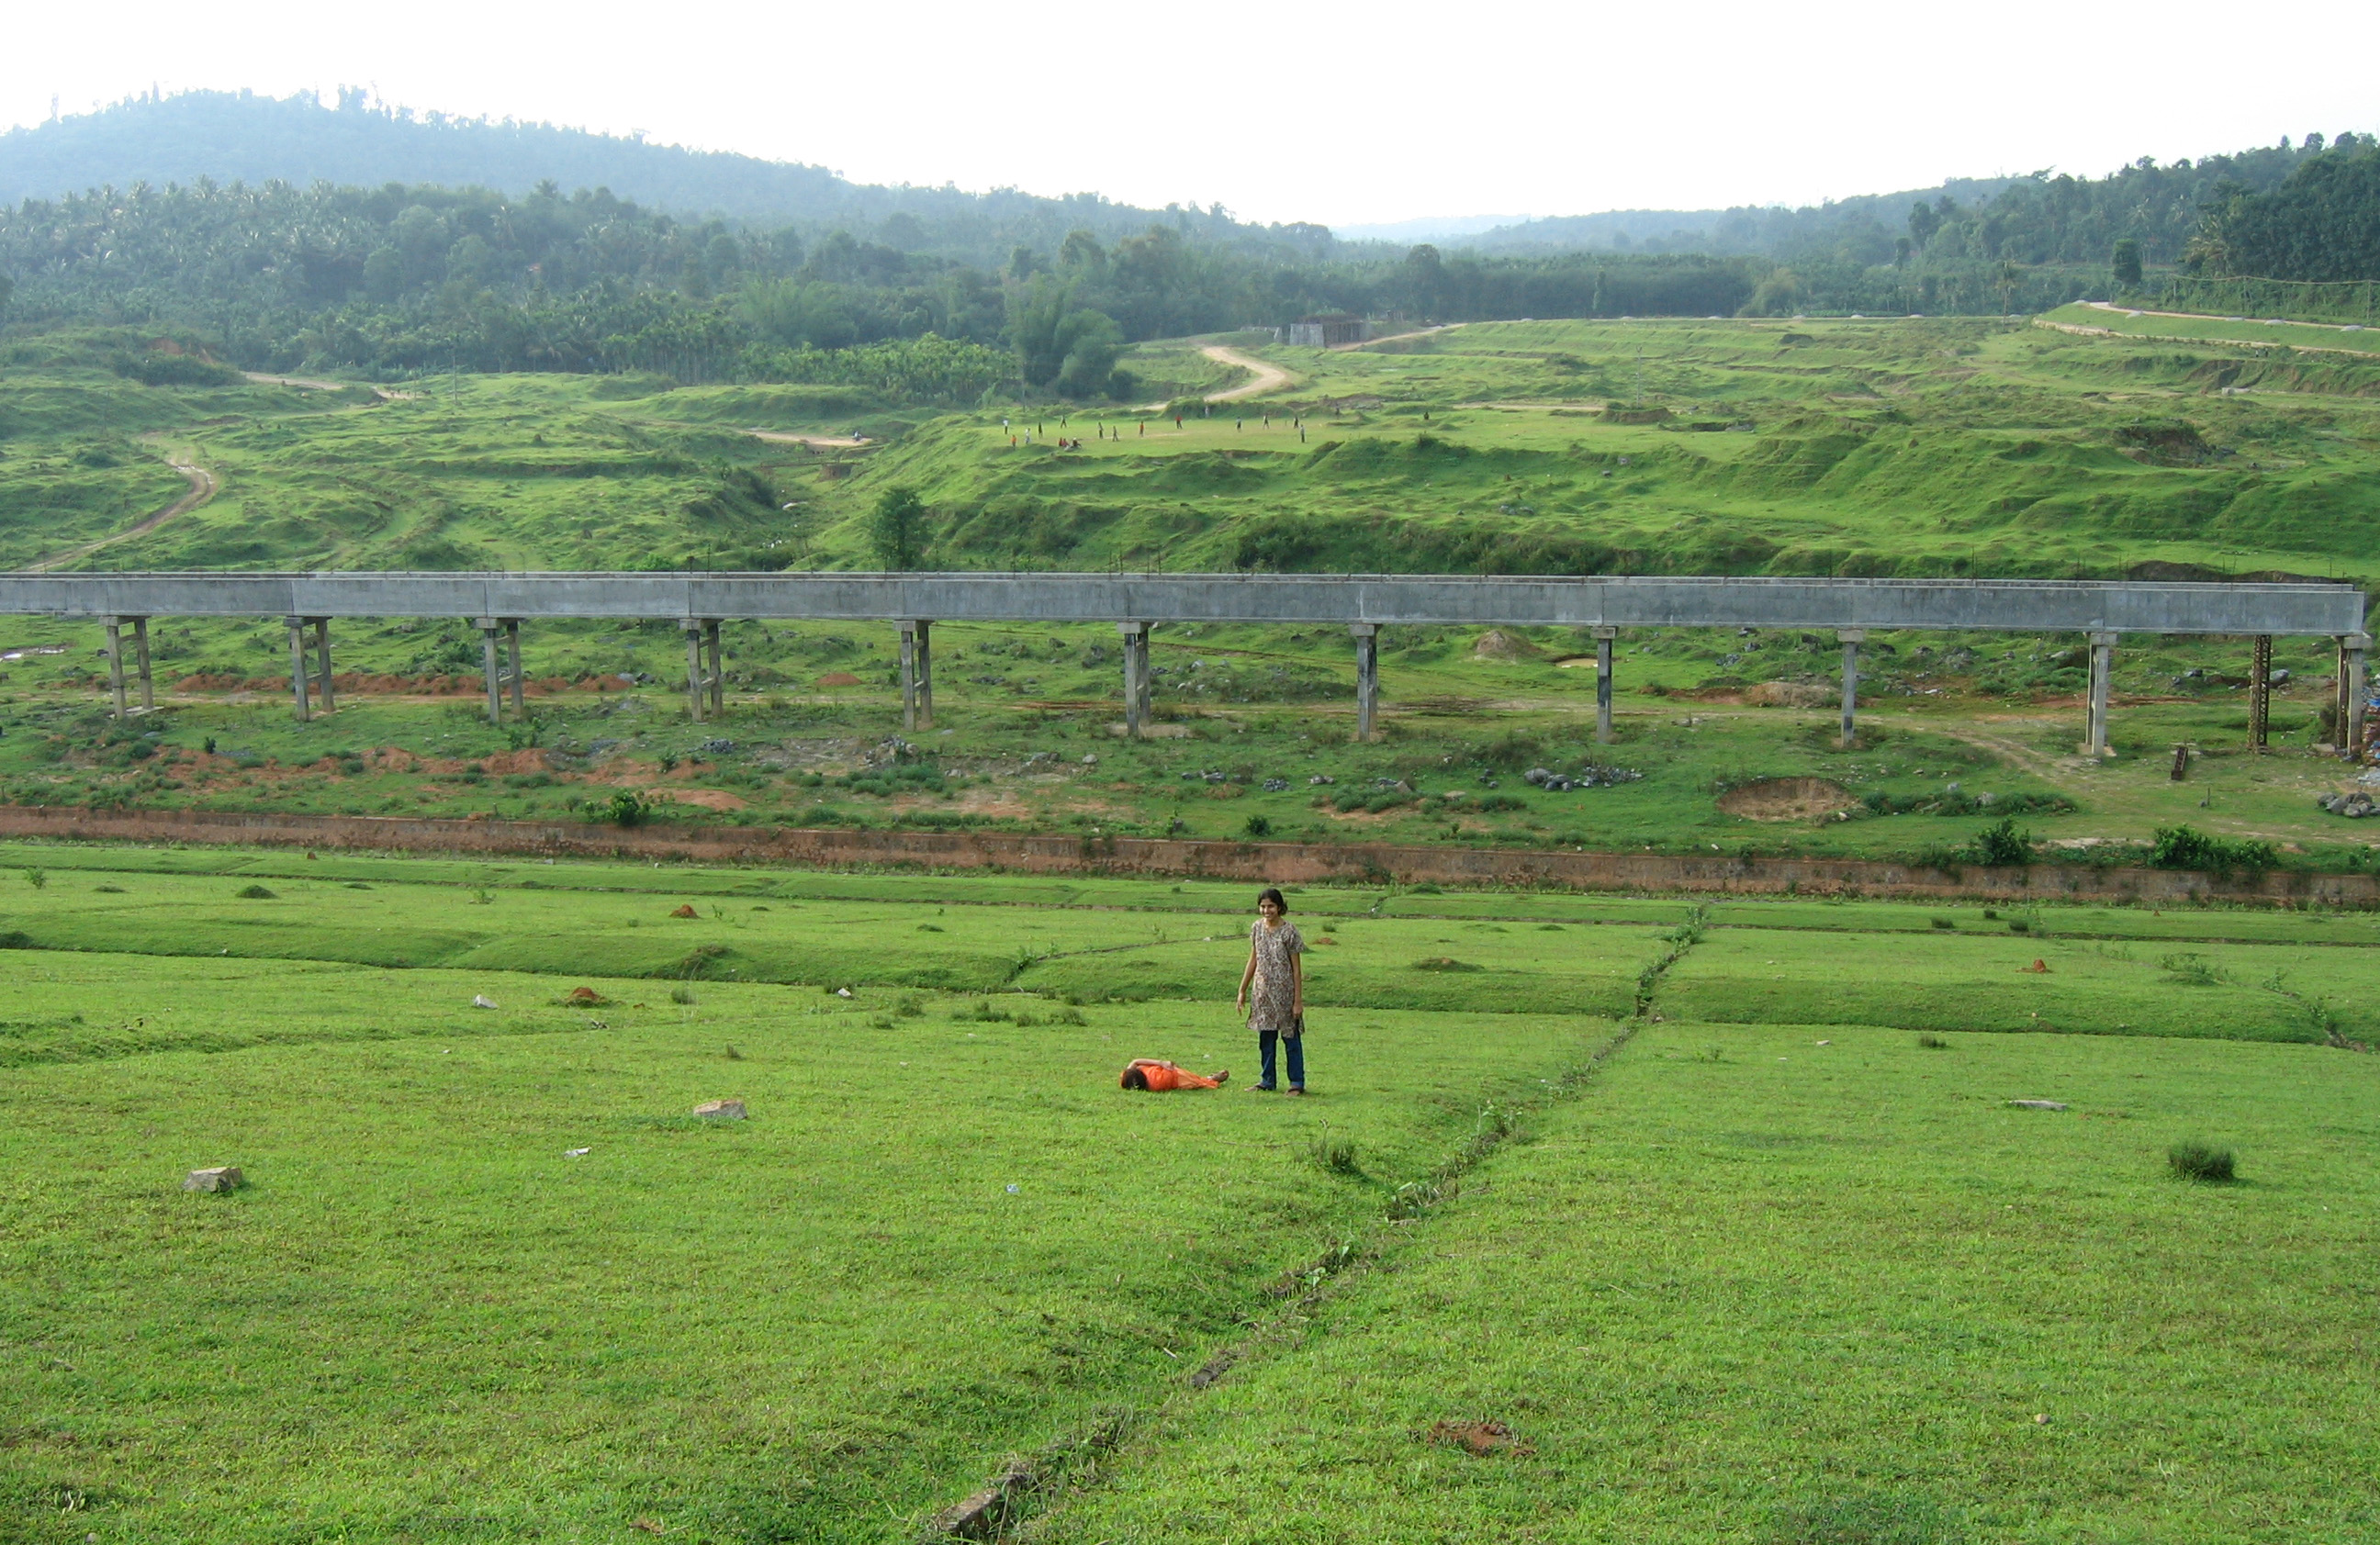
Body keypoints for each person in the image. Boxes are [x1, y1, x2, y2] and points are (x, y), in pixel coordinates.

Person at [1235, 886, 1306, 1093]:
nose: (1267, 911)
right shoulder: (1257, 928)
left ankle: (1296, 1083)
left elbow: (1297, 970)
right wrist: (1242, 990)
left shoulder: (1289, 931)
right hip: (1262, 994)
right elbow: (1253, 959)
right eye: (1263, 907)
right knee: (1266, 1039)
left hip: (1285, 994)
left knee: (1290, 1039)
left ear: (1280, 907)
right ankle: (1267, 1081)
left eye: (1271, 906)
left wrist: (1298, 1001)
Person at [1120, 1058, 1229, 1091]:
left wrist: (1160, 1063)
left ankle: (1209, 1078)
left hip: (1172, 1073)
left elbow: (1135, 1062)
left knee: (1197, 1081)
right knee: (1199, 1082)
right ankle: (1211, 1078)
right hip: (1177, 1077)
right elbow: (1135, 1062)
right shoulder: (1156, 1083)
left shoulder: (1126, 1077)